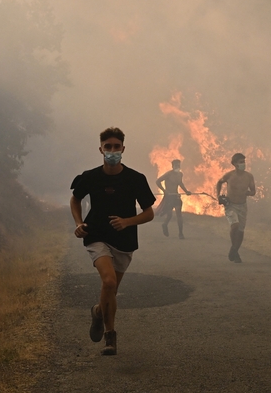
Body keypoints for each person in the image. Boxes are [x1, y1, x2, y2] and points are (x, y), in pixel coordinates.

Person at [70, 127, 156, 356]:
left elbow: (149, 213)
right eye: (107, 146)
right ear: (100, 149)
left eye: (116, 147)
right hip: (96, 235)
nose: (112, 151)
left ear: (123, 149)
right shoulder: (90, 177)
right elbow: (75, 199)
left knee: (111, 290)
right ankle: (110, 336)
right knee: (108, 281)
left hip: (124, 241)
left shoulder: (135, 179)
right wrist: (79, 223)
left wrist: (127, 222)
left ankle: (99, 311)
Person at [215, 152, 256, 263]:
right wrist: (218, 195)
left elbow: (253, 191)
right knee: (235, 226)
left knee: (241, 230)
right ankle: (234, 249)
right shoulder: (229, 175)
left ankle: (234, 250)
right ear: (234, 164)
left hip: (242, 206)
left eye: (244, 162)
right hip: (231, 205)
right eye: (241, 162)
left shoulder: (249, 176)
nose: (243, 164)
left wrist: (249, 193)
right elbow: (219, 183)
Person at [155, 159, 191, 239]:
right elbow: (158, 181)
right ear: (172, 166)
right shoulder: (168, 174)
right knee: (169, 215)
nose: (177, 167)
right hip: (169, 197)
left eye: (178, 165)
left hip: (176, 196)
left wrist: (186, 191)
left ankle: (180, 233)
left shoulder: (180, 174)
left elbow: (180, 183)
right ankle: (165, 224)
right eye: (176, 165)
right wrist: (164, 191)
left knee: (179, 214)